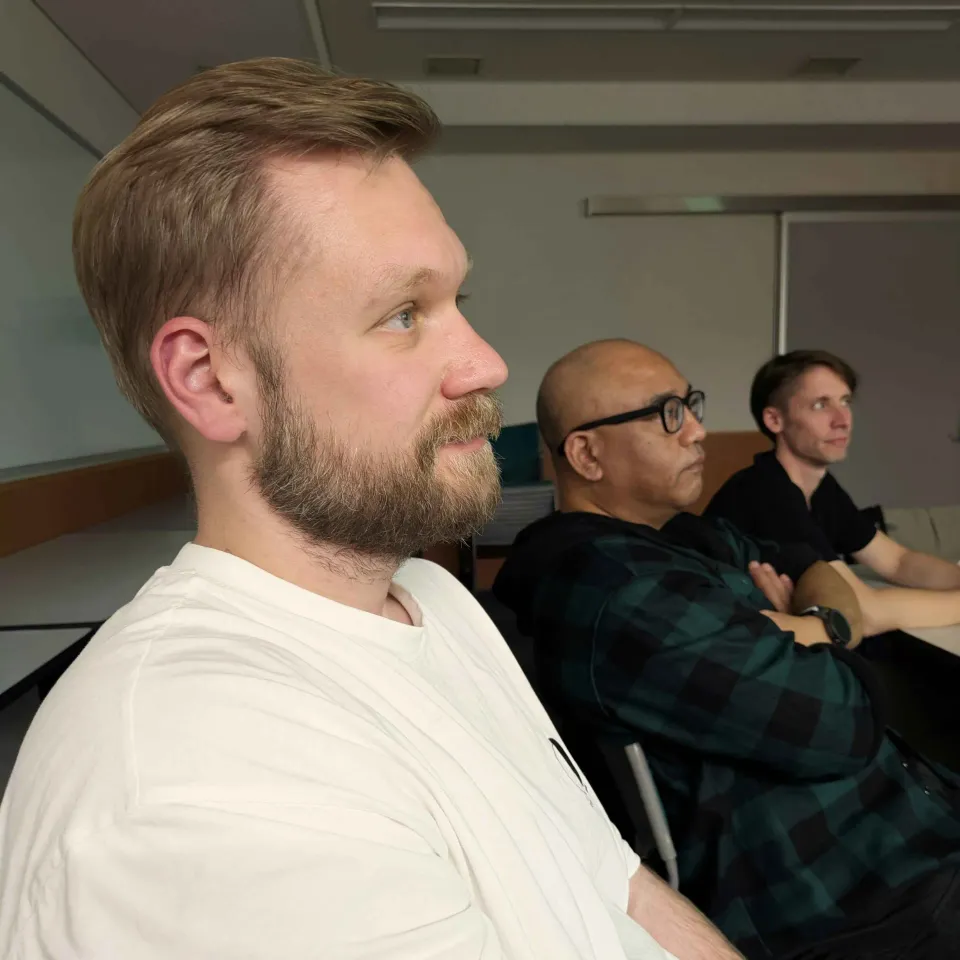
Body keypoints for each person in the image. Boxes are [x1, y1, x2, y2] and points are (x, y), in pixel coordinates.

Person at [0, 60, 741, 960]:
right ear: (210, 380)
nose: (487, 364)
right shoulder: (200, 785)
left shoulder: (432, 600)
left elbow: (608, 880)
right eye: (402, 314)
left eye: (456, 301)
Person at [493, 339, 960, 960]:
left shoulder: (682, 536)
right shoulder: (617, 585)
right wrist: (826, 625)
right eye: (667, 414)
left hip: (904, 817)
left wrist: (803, 623)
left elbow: (806, 563)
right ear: (587, 453)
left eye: (691, 405)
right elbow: (843, 718)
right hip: (858, 889)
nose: (698, 431)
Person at [706, 349, 960, 593]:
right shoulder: (767, 492)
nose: (842, 420)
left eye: (845, 402)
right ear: (774, 420)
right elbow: (862, 605)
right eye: (820, 405)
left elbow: (897, 561)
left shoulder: (822, 489)